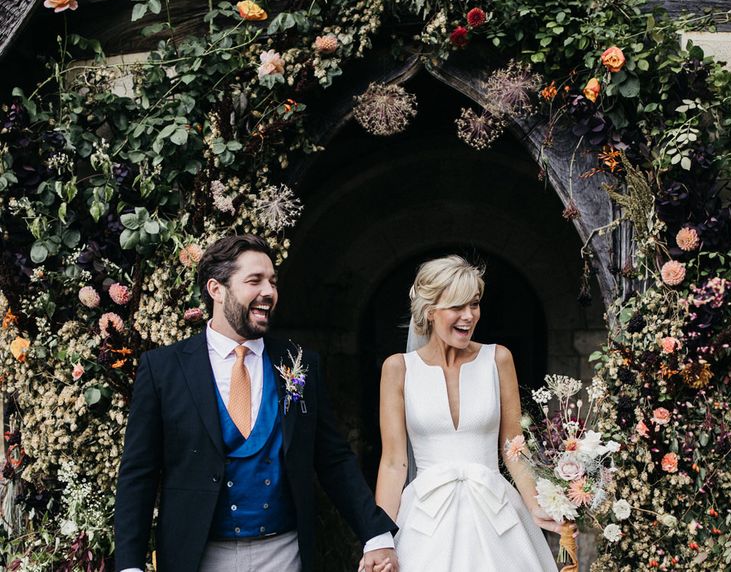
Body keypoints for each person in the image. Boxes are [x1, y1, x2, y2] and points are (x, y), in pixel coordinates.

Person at [114, 234, 398, 572]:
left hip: (283, 551)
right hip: (199, 554)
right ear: (216, 289)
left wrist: (375, 532)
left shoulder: (300, 363)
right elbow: (139, 473)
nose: (269, 292)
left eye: (273, 281)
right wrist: (129, 564)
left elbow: (333, 458)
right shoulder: (163, 369)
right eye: (255, 280)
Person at [374, 255, 560, 571]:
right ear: (429, 311)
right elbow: (394, 462)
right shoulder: (398, 369)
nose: (469, 316)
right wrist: (379, 538)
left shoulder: (498, 359)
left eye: (474, 304)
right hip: (425, 519)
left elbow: (514, 448)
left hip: (496, 513)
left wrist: (537, 504)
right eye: (457, 307)